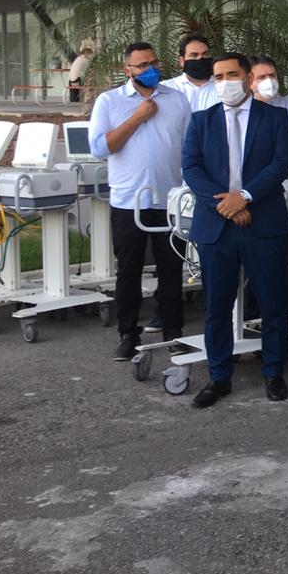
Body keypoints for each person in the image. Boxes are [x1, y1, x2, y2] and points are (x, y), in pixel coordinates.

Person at [181, 53, 288, 407]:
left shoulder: (275, 117)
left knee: (273, 302)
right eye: (218, 76)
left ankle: (274, 372)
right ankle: (219, 376)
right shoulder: (201, 120)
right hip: (217, 226)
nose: (224, 82)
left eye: (232, 74)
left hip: (264, 223)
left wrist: (245, 197)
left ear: (247, 78)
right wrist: (228, 206)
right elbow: (191, 168)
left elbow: (281, 163)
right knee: (217, 307)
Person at [87, 42, 191, 359]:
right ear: (127, 70)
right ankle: (128, 334)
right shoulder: (110, 101)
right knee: (129, 270)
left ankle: (173, 331)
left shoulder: (177, 99)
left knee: (171, 268)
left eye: (154, 62)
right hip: (128, 201)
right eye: (142, 65)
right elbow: (100, 148)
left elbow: (190, 146)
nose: (150, 69)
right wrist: (137, 117)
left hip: (169, 200)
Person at [249, 55, 288, 126]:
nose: (269, 81)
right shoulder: (241, 108)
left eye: (272, 75)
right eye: (262, 77)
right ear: (249, 82)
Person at [165, 33, 214, 104]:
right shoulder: (167, 88)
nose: (201, 58)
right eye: (194, 55)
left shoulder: (223, 85)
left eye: (206, 54)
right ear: (182, 61)